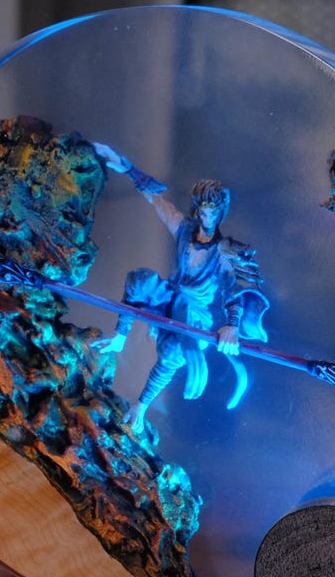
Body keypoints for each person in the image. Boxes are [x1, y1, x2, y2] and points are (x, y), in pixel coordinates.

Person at [92, 143, 269, 435]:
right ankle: (119, 337)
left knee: (173, 353)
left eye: (212, 212)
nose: (207, 218)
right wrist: (125, 166)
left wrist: (232, 326)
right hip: (170, 296)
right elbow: (156, 200)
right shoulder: (184, 229)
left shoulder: (225, 252)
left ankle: (141, 406)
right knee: (139, 280)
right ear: (197, 209)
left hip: (196, 315)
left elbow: (234, 290)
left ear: (220, 213)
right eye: (203, 211)